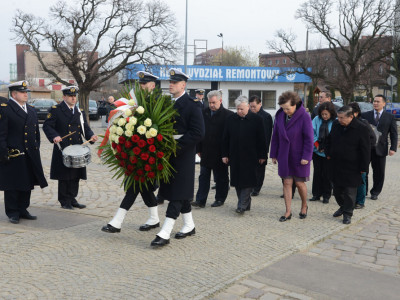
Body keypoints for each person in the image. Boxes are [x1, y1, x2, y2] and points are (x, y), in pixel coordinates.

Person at [101, 71, 161, 233]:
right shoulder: (133, 103)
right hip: (135, 151)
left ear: (153, 86)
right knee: (142, 187)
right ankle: (154, 218)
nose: (141, 86)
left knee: (136, 186)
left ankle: (117, 221)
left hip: (149, 153)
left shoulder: (157, 102)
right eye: (140, 83)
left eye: (145, 83)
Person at [151, 68, 205, 247]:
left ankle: (165, 232)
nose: (171, 85)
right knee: (177, 191)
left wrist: (176, 147)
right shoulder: (168, 103)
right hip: (169, 153)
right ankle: (189, 225)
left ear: (184, 85)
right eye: (170, 82)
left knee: (178, 193)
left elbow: (198, 132)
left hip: (183, 153)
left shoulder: (192, 104)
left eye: (175, 82)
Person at [43, 86, 98, 209]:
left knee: (75, 174)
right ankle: (64, 201)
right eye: (70, 96)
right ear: (64, 97)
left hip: (77, 148)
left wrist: (92, 136)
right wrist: (55, 136)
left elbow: (85, 129)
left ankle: (72, 198)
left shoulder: (79, 111)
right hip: (63, 148)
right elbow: (47, 126)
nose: (73, 98)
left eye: (75, 96)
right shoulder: (56, 110)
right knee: (64, 175)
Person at [0, 81, 48, 224]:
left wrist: (35, 148)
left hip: (30, 153)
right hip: (13, 153)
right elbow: (1, 134)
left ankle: (23, 209)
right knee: (13, 184)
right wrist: (3, 153)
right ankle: (12, 212)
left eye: (26, 92)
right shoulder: (5, 109)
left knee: (27, 183)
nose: (26, 95)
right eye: (22, 92)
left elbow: (36, 134)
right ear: (14, 94)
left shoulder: (31, 109)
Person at [270, 91, 313, 222]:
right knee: (287, 182)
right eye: (283, 108)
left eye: (288, 108)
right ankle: (288, 211)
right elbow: (276, 136)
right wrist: (274, 154)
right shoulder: (279, 116)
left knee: (299, 183)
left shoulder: (304, 117)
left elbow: (309, 138)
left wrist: (306, 156)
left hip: (299, 156)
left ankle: (304, 205)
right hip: (284, 154)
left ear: (295, 105)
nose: (285, 111)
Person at [222, 96, 267, 214]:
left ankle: (241, 205)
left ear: (248, 107)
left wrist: (263, 155)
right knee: (237, 181)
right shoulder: (231, 119)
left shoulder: (257, 119)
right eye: (237, 109)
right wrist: (224, 154)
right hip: (235, 155)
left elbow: (262, 139)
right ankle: (245, 203)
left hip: (251, 156)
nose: (239, 111)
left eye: (241, 109)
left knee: (247, 181)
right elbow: (225, 139)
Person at [326, 106, 370, 224]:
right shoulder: (336, 125)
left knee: (350, 192)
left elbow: (365, 149)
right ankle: (343, 206)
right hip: (336, 163)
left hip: (353, 166)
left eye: (342, 118)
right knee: (337, 191)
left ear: (351, 117)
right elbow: (329, 139)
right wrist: (328, 153)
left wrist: (364, 167)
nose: (339, 120)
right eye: (338, 117)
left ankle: (347, 213)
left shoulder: (362, 128)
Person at [192, 90, 233, 208]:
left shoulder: (228, 115)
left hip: (221, 153)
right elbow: (199, 132)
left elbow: (229, 137)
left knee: (221, 177)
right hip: (206, 151)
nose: (211, 105)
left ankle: (220, 198)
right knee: (203, 176)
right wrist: (198, 149)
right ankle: (200, 200)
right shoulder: (203, 113)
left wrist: (227, 153)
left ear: (220, 101)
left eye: (214, 102)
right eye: (210, 103)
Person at [361, 94, 397, 200]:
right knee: (364, 170)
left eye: (378, 102)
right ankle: (364, 190)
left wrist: (393, 148)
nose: (375, 103)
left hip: (381, 148)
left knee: (379, 172)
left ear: (384, 104)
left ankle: (375, 192)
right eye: (374, 101)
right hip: (366, 148)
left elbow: (394, 134)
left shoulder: (389, 117)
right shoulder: (365, 115)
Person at [349, 102, 376, 209]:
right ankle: (351, 199)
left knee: (361, 178)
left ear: (356, 113)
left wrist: (363, 149)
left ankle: (360, 201)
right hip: (349, 157)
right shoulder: (345, 124)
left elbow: (372, 139)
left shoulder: (363, 124)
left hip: (361, 156)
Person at [309, 101, 336, 203]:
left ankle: (326, 195)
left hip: (329, 152)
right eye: (322, 114)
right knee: (317, 173)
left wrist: (326, 147)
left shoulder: (335, 121)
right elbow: (312, 132)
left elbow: (334, 136)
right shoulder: (316, 119)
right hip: (317, 151)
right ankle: (316, 194)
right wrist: (317, 145)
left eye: (326, 114)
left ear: (331, 113)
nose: (324, 116)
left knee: (327, 174)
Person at [248, 95, 273, 196]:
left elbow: (267, 136)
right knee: (251, 169)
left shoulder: (266, 117)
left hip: (260, 148)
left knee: (260, 169)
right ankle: (250, 185)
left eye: (254, 106)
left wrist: (263, 153)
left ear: (260, 104)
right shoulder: (248, 114)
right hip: (250, 148)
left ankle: (257, 188)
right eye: (251, 106)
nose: (252, 108)